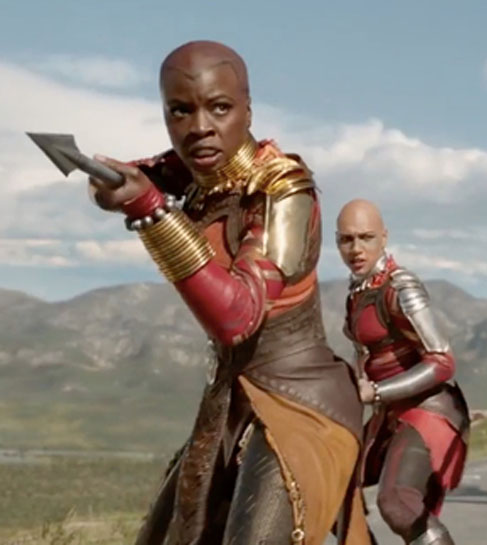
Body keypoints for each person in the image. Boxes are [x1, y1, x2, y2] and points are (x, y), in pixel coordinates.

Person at [88, 41, 368, 545]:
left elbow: (238, 316)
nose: (200, 127)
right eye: (180, 111)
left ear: (247, 110)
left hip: (299, 400)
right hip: (228, 402)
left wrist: (150, 210)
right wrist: (108, 182)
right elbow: (135, 175)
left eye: (219, 107)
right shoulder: (196, 175)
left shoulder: (284, 191)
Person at [337, 199, 469, 545]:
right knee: (331, 479)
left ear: (384, 237)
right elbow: (364, 357)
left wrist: (377, 392)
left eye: (366, 237)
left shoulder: (400, 288)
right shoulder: (358, 291)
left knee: (397, 502)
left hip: (428, 410)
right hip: (388, 414)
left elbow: (442, 361)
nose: (356, 248)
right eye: (346, 239)